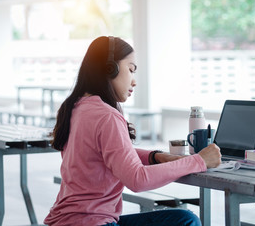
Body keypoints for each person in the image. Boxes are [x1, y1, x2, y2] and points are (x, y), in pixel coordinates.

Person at [44, 36, 222, 226]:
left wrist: (155, 157)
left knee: (183, 218)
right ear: (109, 69)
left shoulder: (74, 107)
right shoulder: (107, 116)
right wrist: (199, 160)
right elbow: (138, 180)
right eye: (130, 69)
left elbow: (105, 152)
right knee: (185, 221)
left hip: (63, 221)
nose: (134, 81)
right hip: (92, 223)